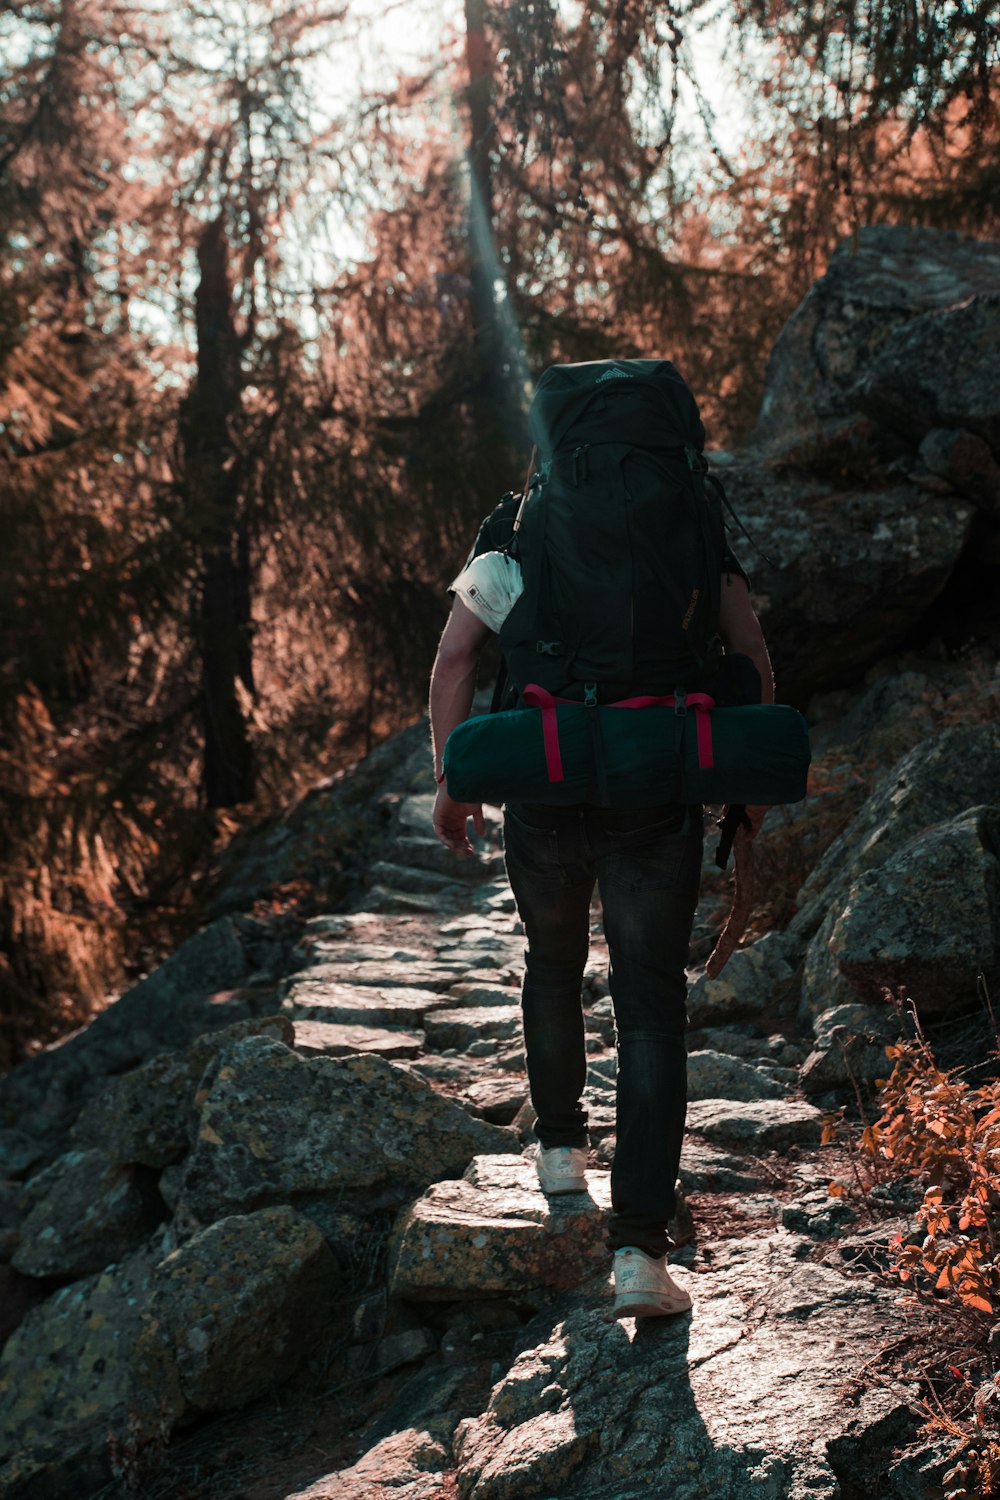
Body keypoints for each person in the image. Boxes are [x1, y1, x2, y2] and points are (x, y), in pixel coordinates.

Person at [428, 457, 774, 1321]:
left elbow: (454, 662)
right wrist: (748, 780)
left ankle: (558, 1151)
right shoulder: (690, 534)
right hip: (657, 794)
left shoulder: (518, 538)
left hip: (542, 794)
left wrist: (453, 777)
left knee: (550, 962)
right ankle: (641, 1253)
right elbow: (753, 655)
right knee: (650, 1005)